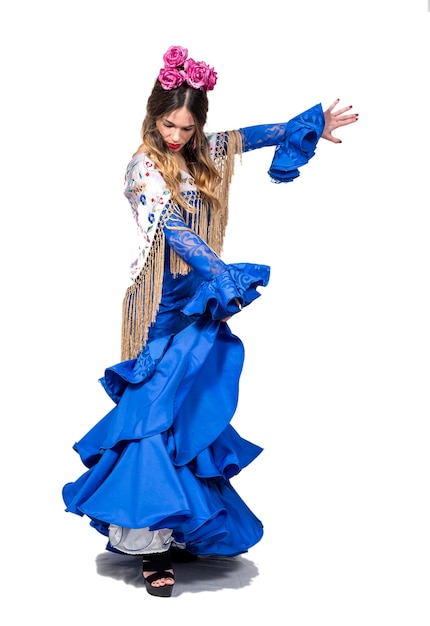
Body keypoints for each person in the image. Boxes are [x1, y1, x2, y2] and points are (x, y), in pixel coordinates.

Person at [62, 45, 359, 598]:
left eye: (186, 125)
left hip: (197, 296)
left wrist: (312, 123)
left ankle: (183, 526)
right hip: (157, 302)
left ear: (198, 125)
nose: (174, 135)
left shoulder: (206, 151)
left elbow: (253, 136)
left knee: (191, 411)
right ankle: (149, 547)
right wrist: (221, 274)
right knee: (151, 414)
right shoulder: (142, 167)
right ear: (152, 117)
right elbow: (174, 230)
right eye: (166, 124)